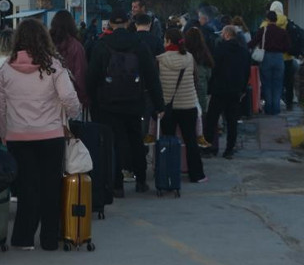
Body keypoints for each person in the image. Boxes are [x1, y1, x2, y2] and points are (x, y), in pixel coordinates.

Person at [0, 18, 80, 250]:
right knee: (51, 187)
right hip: (50, 135)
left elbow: (0, 107)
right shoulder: (53, 66)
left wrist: (3, 132)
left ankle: (23, 238)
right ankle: (49, 239)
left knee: (26, 187)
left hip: (18, 136)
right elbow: (69, 97)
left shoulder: (6, 69)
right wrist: (73, 114)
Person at [87, 10, 164, 196]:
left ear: (110, 24)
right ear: (128, 22)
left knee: (112, 143)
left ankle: (117, 185)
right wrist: (159, 104)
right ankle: (141, 181)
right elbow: (152, 76)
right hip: (134, 101)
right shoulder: (139, 44)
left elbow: (92, 77)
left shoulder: (101, 45)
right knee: (135, 139)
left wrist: (92, 101)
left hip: (108, 103)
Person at [157, 27, 207, 183]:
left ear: (168, 41)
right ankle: (197, 174)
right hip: (188, 104)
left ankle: (169, 175)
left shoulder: (160, 59)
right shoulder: (189, 57)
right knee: (191, 140)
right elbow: (196, 79)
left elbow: (157, 83)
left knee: (168, 141)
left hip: (168, 106)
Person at [203, 26, 250, 159]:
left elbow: (214, 69)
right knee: (232, 121)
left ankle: (208, 147)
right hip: (235, 90)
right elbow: (246, 71)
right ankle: (229, 149)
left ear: (227, 35)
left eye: (223, 33)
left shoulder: (220, 49)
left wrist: (210, 87)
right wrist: (243, 89)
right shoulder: (243, 51)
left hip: (219, 89)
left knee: (212, 119)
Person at [249, 11, 291, 116]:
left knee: (266, 84)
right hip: (279, 58)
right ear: (276, 20)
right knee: (278, 84)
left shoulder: (263, 30)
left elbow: (253, 42)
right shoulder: (282, 32)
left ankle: (268, 108)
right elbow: (287, 47)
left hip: (266, 57)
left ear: (267, 20)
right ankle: (276, 108)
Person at [49, 10, 89, 107]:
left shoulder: (47, 44)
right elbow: (80, 75)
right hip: (70, 96)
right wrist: (84, 98)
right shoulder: (76, 46)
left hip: (49, 97)